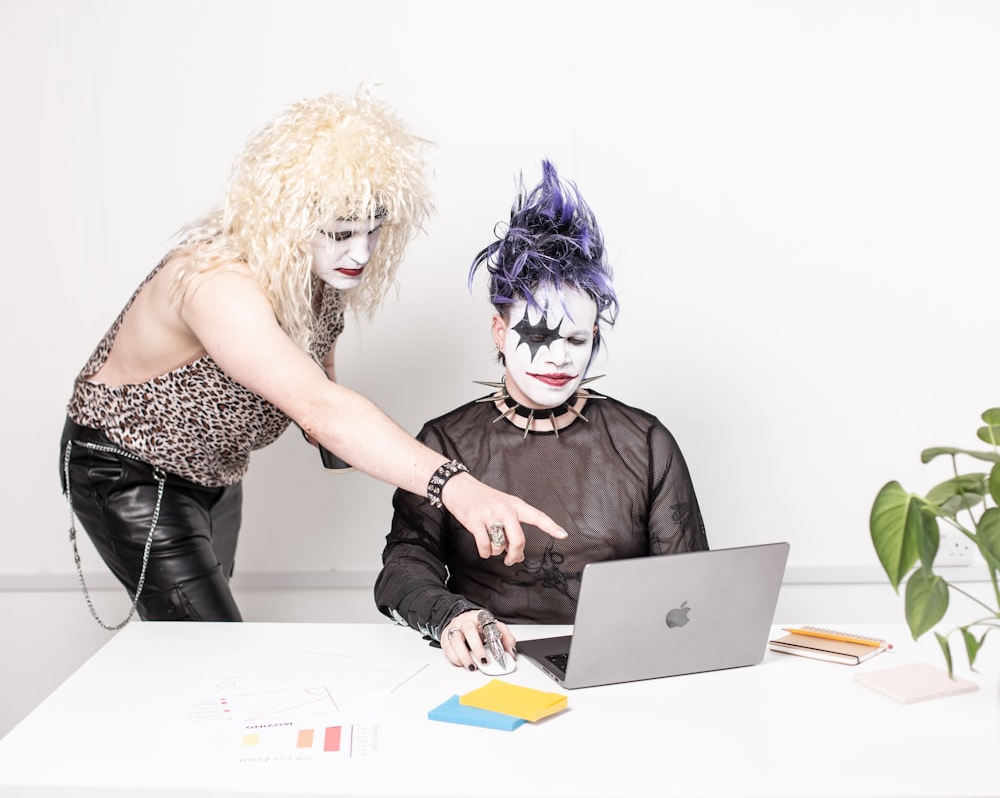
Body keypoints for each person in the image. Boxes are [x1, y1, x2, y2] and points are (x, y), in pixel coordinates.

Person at [59, 89, 566, 628]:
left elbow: (316, 363)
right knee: (209, 652)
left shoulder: (315, 270)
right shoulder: (216, 282)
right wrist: (456, 486)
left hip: (216, 471)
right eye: (341, 233)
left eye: (373, 230)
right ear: (286, 218)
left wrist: (324, 406)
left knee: (194, 651)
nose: (361, 253)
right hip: (129, 468)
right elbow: (320, 405)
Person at [374, 160, 709, 671]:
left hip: (619, 668)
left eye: (577, 339)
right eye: (538, 337)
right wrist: (450, 616)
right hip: (488, 668)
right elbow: (401, 569)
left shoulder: (644, 442)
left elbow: (688, 589)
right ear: (499, 332)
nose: (559, 358)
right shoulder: (446, 442)